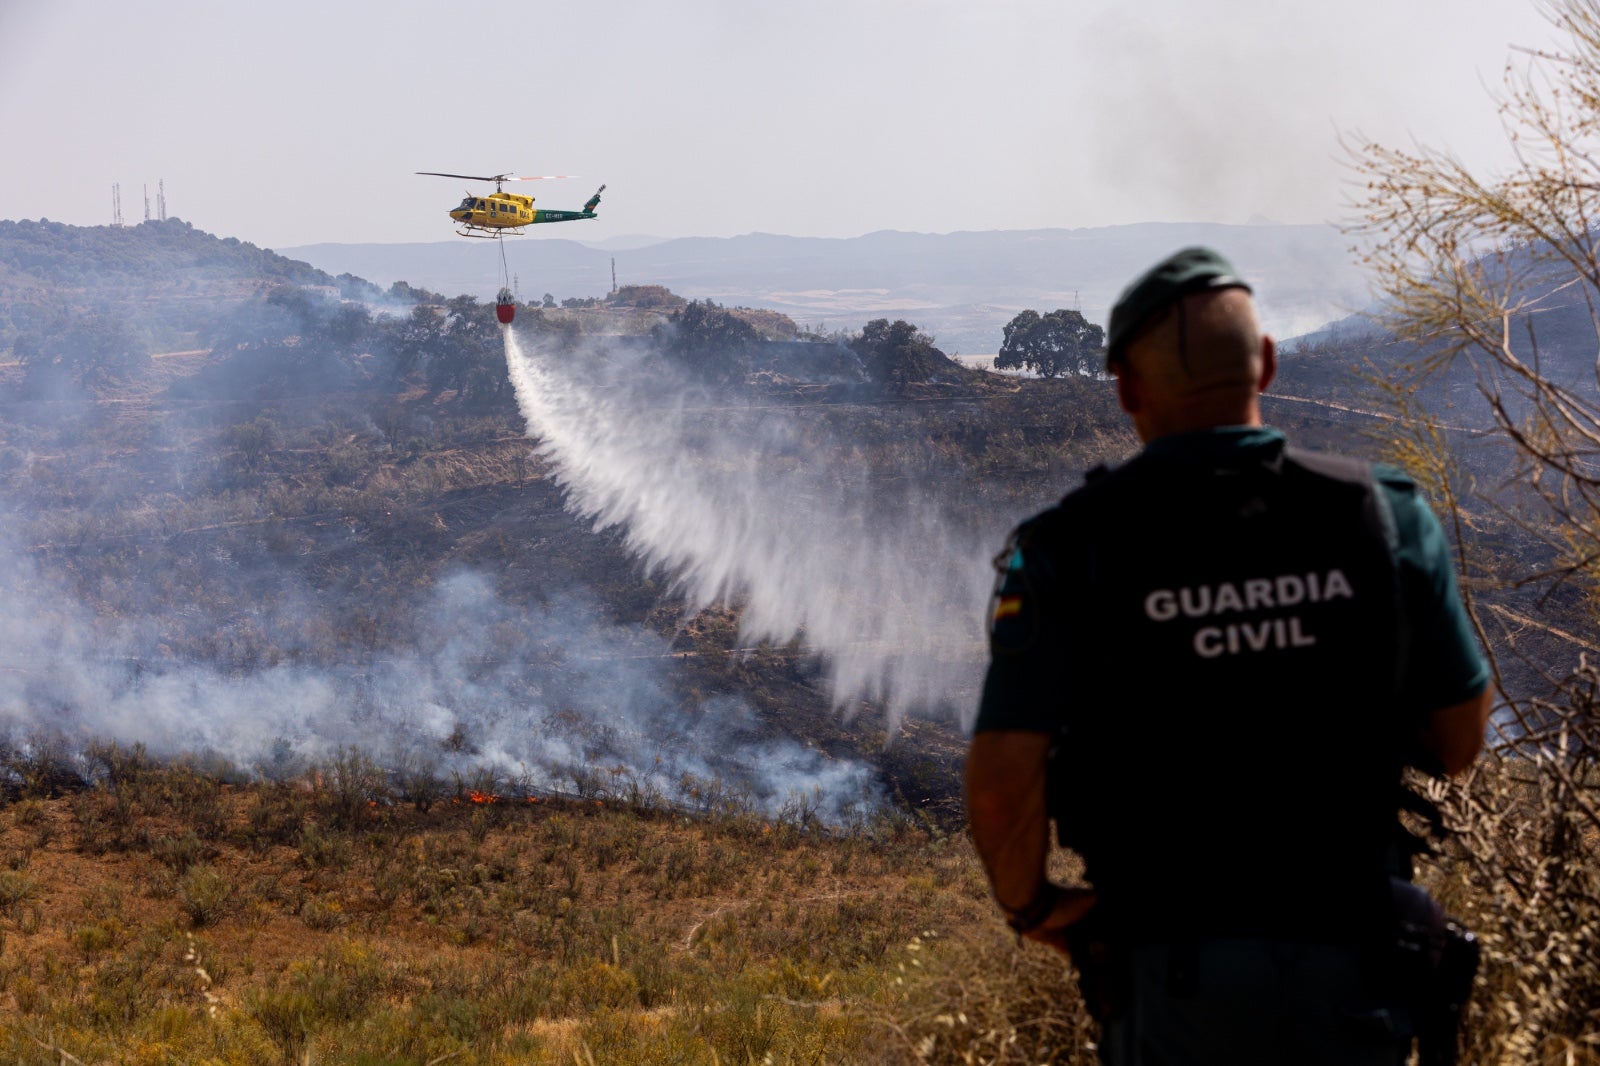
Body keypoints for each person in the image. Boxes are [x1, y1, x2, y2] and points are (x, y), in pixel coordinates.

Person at [965, 247, 1492, 1066]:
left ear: (1128, 390)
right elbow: (1458, 745)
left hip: (1168, 979)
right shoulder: (1387, 519)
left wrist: (1035, 910)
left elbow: (1002, 780)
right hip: (1353, 972)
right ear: (1268, 365)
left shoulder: (1068, 548)